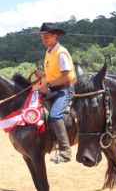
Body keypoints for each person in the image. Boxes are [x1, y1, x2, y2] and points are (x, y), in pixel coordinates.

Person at [34, 22, 76, 163]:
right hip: (53, 88)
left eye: (46, 36)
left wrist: (49, 85)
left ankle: (65, 150)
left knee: (55, 115)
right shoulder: (49, 51)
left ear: (54, 36)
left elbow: (66, 76)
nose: (44, 39)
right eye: (42, 37)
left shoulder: (61, 53)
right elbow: (54, 72)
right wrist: (43, 75)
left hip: (64, 89)